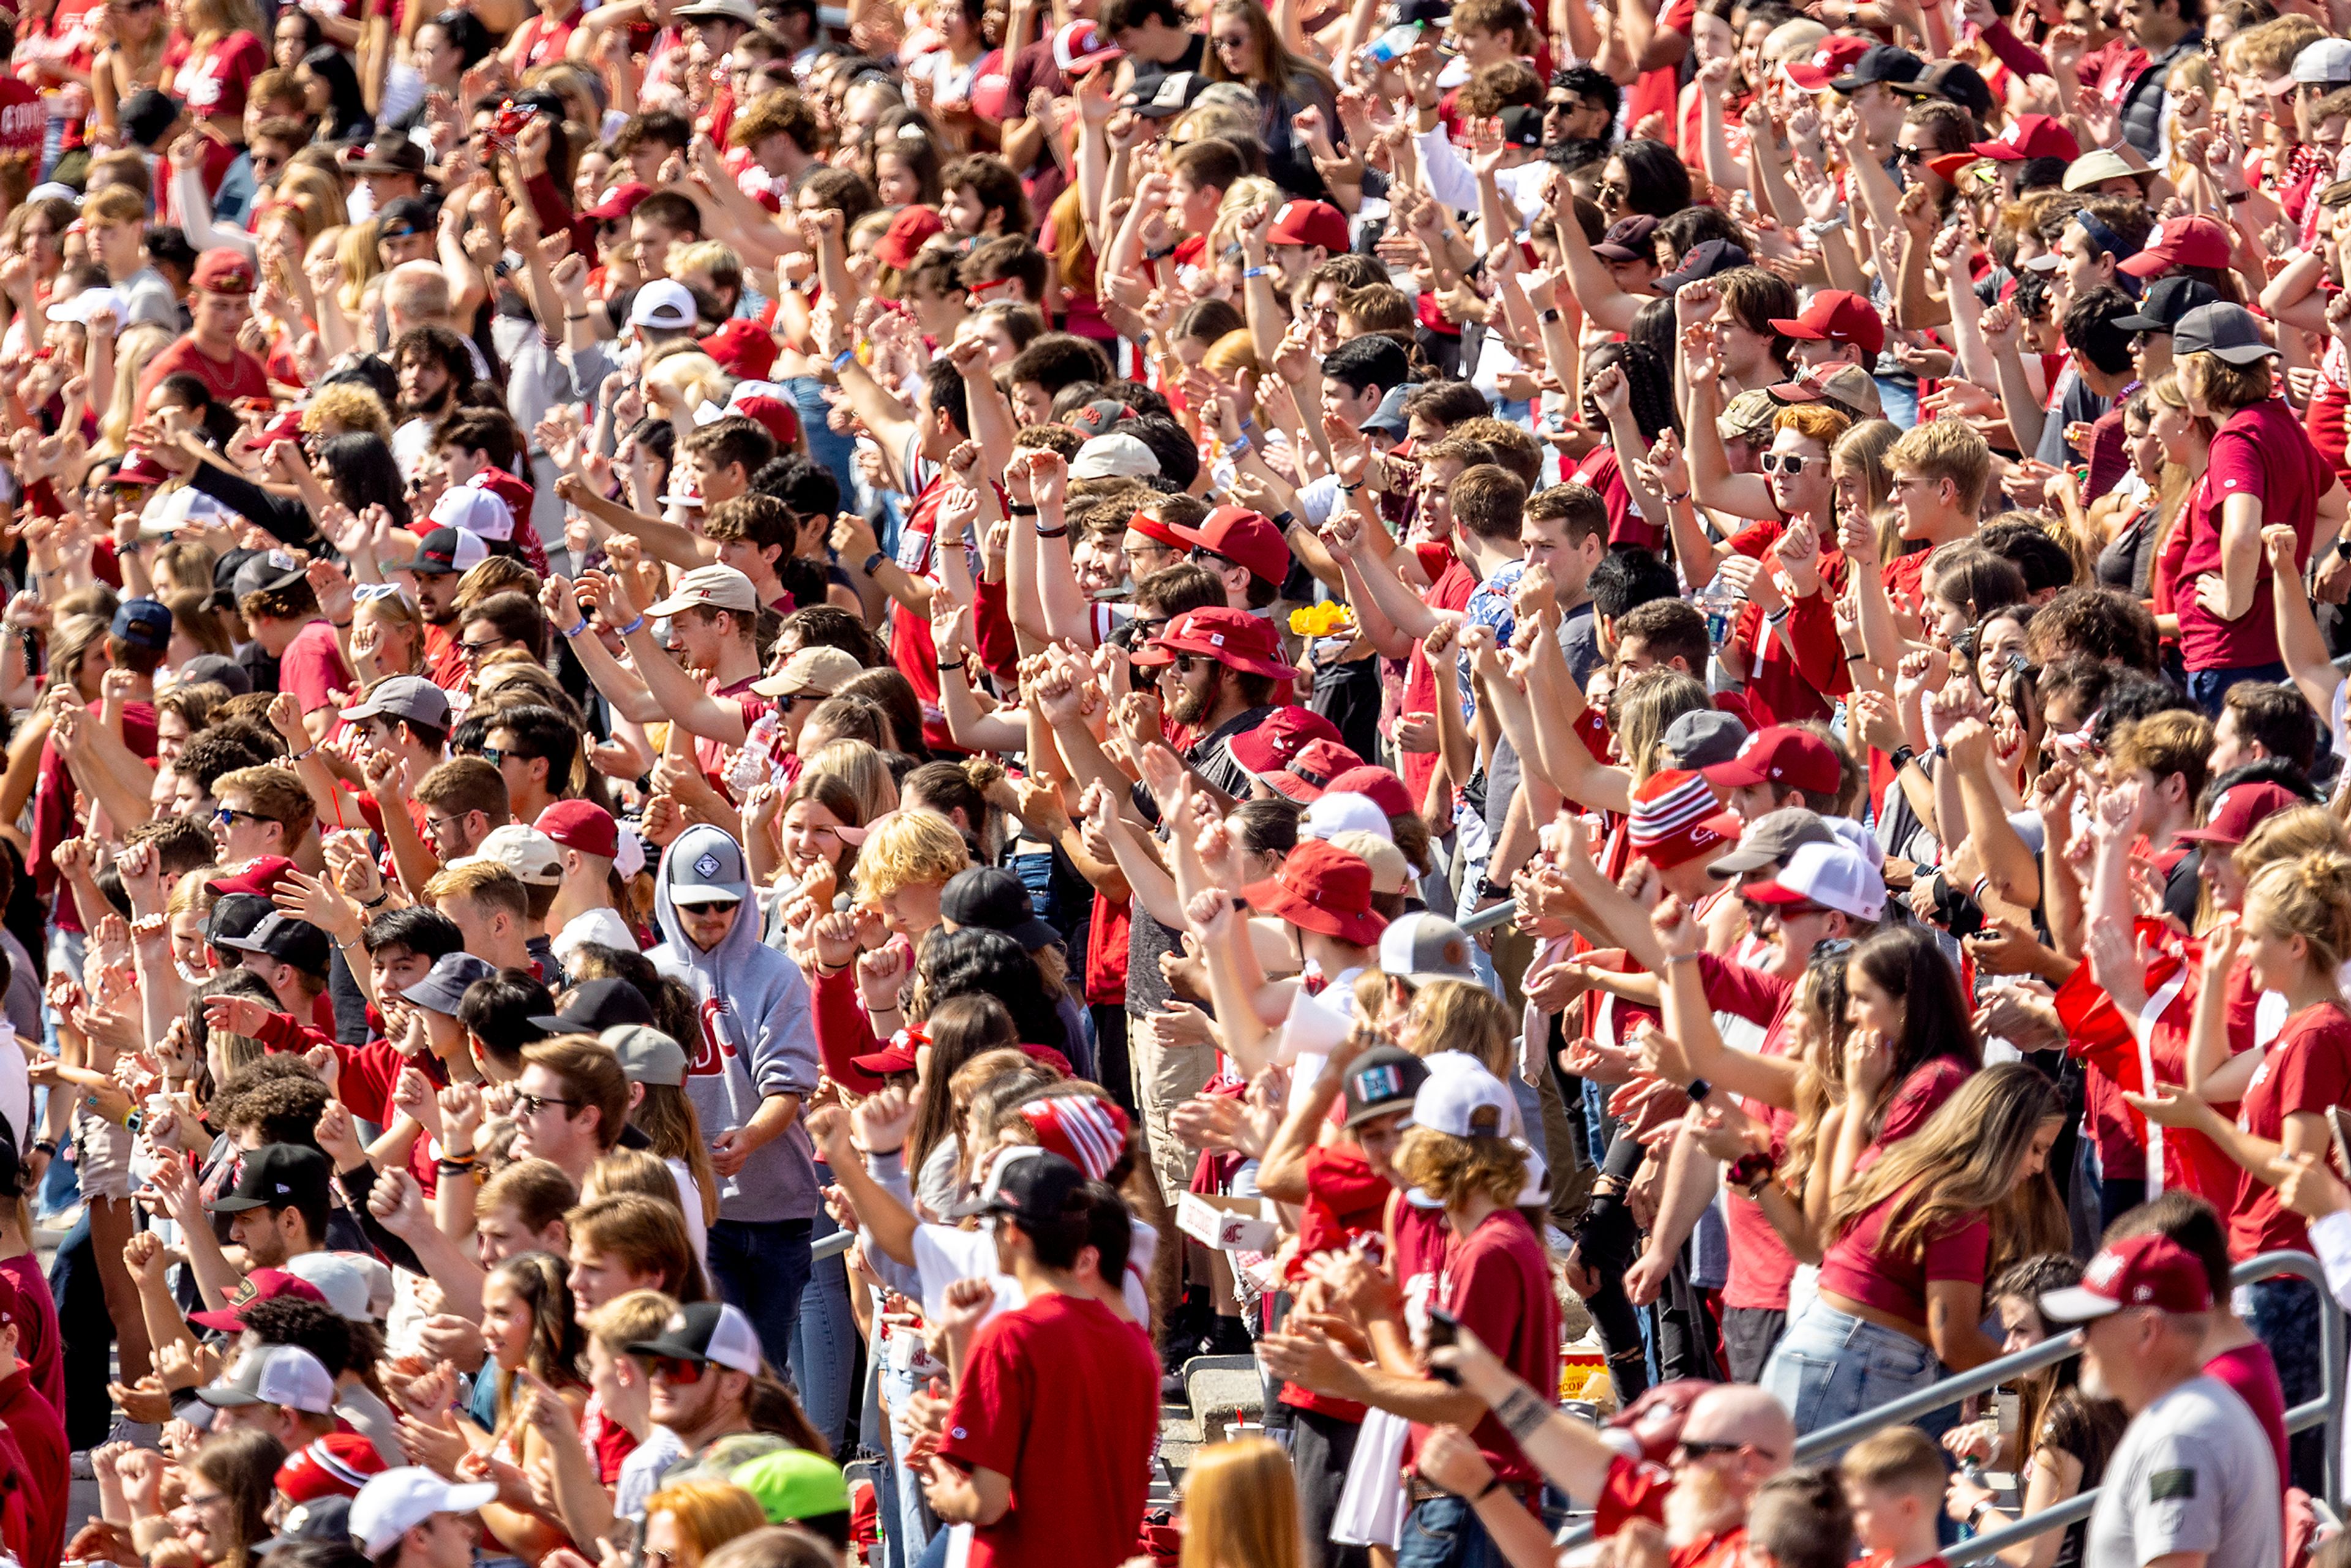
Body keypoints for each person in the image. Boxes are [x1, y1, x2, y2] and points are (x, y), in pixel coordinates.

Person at [928, 1150, 1159, 1568]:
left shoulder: (1010, 1336)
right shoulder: (1134, 1344)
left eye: (991, 1223)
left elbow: (987, 1502)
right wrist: (962, 1340)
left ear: (1014, 1230)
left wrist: (947, 1495)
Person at [2039, 1232, 2282, 1568]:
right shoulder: (2186, 1416)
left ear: (2147, 1331)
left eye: (2090, 1322)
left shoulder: (2178, 1437)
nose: (2079, 1340)